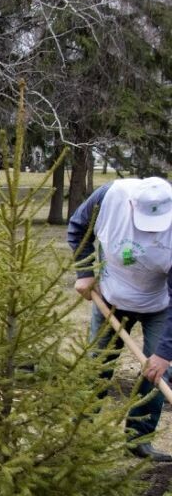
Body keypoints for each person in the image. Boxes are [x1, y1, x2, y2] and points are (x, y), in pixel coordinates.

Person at [68, 177, 172, 462]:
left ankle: (139, 440)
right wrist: (85, 272)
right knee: (96, 367)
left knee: (157, 372)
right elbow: (78, 229)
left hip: (159, 305)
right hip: (110, 300)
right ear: (132, 204)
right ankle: (80, 437)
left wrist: (164, 354)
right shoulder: (109, 197)